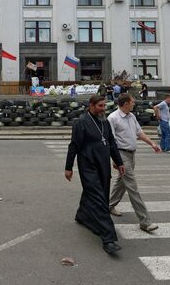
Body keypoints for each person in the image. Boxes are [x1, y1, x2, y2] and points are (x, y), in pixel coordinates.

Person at [65, 95, 126, 255]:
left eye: (104, 106)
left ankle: (83, 216)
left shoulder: (104, 123)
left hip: (103, 167)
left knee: (99, 196)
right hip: (88, 167)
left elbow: (112, 143)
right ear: (91, 106)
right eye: (100, 106)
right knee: (99, 201)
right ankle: (108, 239)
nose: (103, 109)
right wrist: (68, 167)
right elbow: (74, 145)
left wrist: (119, 162)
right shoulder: (81, 122)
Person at [107, 94, 161, 232]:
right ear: (125, 104)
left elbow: (139, 133)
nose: (134, 104)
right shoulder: (113, 118)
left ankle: (109, 205)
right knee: (132, 187)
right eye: (132, 102)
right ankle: (145, 221)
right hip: (121, 154)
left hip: (131, 154)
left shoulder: (131, 116)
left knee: (121, 183)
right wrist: (115, 160)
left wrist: (152, 143)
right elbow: (110, 141)